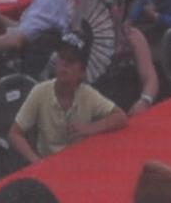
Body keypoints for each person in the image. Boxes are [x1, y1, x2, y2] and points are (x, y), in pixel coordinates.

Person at [8, 30, 127, 161]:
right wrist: (36, 162)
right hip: (48, 164)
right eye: (61, 57)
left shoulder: (87, 94)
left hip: (80, 162)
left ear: (82, 72)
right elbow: (15, 133)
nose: (64, 64)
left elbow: (120, 117)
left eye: (71, 60)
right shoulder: (40, 91)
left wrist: (90, 128)